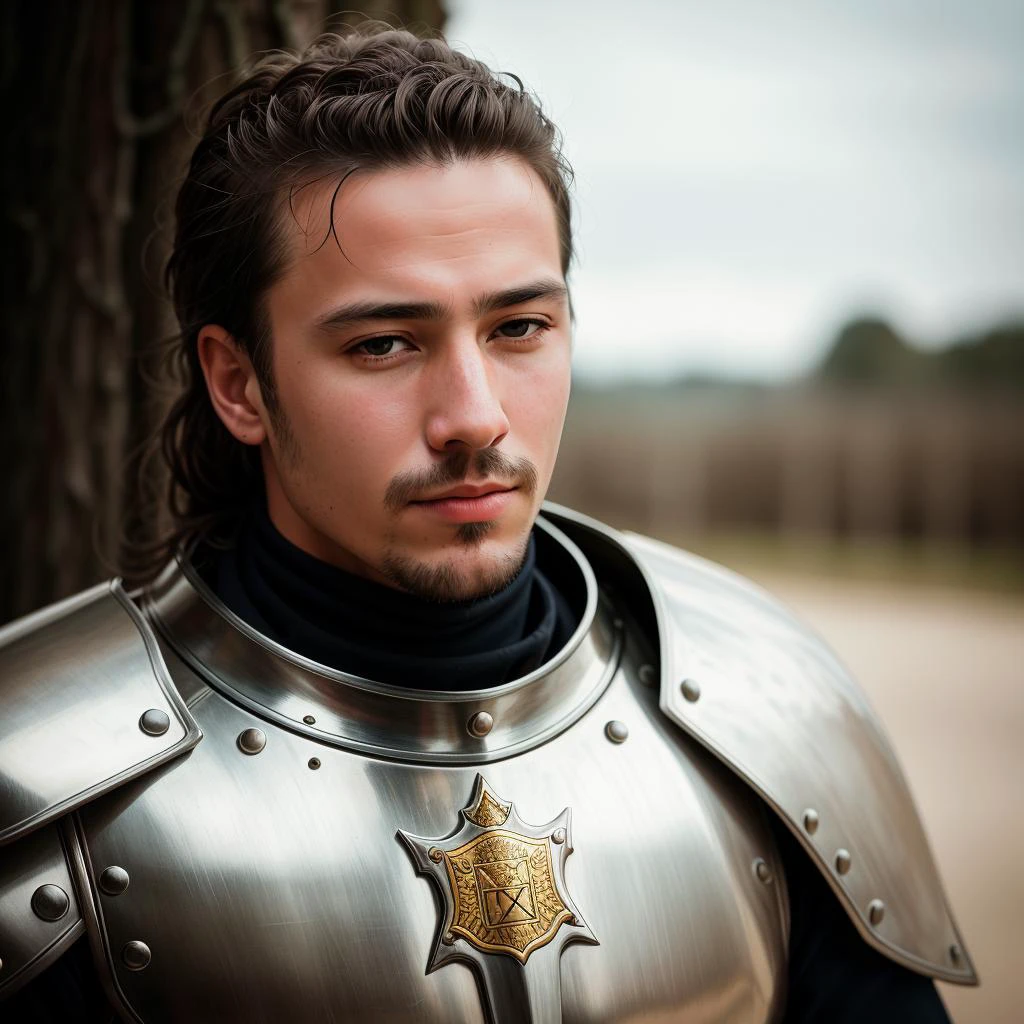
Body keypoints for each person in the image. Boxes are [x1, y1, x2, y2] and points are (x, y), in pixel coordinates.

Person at [0, 22, 975, 1023]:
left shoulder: (769, 711)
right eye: (383, 343)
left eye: (518, 328)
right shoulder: (36, 775)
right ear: (239, 383)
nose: (473, 415)